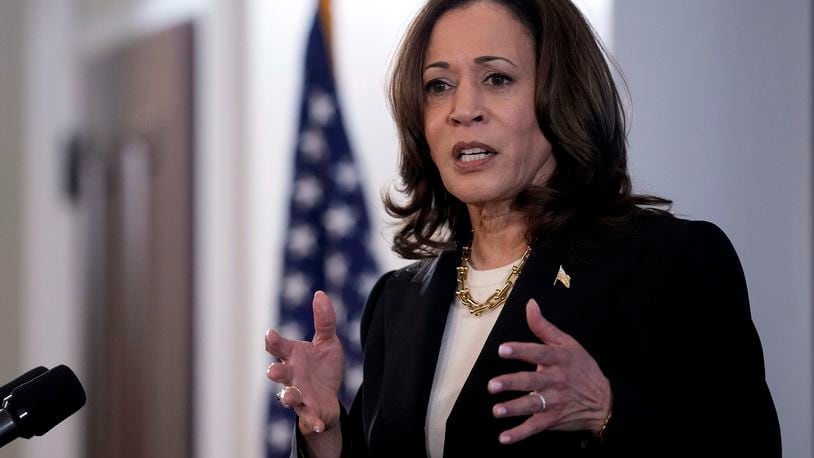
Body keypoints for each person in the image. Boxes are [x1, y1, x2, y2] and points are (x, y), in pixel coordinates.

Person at [265, 0, 781, 456]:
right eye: (439, 86)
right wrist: (327, 434)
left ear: (560, 96)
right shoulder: (397, 302)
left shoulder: (669, 265)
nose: (463, 110)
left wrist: (606, 412)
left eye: (497, 78)